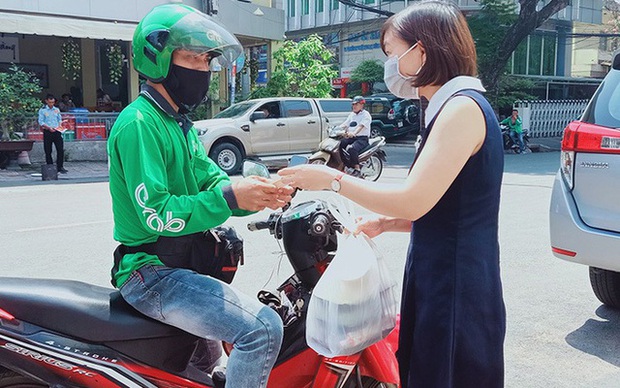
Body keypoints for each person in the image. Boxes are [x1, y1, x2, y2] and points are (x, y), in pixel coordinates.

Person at [278, 1, 505, 387]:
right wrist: (385, 222)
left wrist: (330, 179)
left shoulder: (461, 109)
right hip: (443, 271)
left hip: (454, 281)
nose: (390, 65)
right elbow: (447, 205)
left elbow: (414, 199)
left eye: (392, 53)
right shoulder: (447, 106)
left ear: (423, 50)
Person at [107, 4, 291, 387]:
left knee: (207, 371)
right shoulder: (140, 124)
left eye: (207, 60)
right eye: (191, 57)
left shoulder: (179, 123)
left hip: (182, 265)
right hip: (151, 273)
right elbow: (156, 214)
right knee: (263, 329)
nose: (202, 69)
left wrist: (256, 191)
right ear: (156, 58)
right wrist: (228, 199)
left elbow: (212, 180)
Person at [337, 96, 372, 177]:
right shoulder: (352, 115)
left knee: (351, 148)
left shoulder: (366, 115)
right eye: (353, 104)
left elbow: (361, 126)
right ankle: (345, 165)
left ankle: (357, 169)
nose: (354, 106)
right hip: (351, 137)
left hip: (362, 138)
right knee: (339, 144)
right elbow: (345, 124)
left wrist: (354, 133)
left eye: (356, 104)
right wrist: (336, 129)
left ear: (362, 105)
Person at [38, 94, 67, 174]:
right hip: (48, 131)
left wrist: (61, 124)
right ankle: (50, 166)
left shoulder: (56, 110)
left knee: (60, 149)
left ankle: (60, 166)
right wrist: (48, 128)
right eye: (50, 102)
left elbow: (59, 119)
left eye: (53, 102)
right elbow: (41, 122)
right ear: (46, 101)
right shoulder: (43, 110)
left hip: (57, 131)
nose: (51, 104)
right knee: (48, 150)